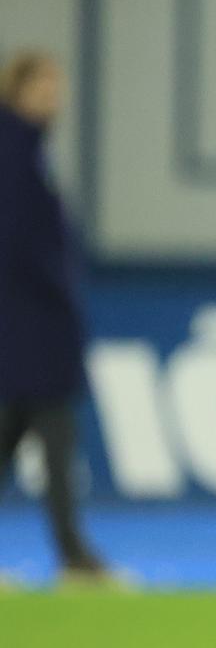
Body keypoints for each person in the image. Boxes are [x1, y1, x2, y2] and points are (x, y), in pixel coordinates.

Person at [0, 51, 111, 583]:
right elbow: (21, 243)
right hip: (28, 331)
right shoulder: (15, 149)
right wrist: (60, 291)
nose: (54, 96)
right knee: (57, 446)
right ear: (18, 91)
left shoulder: (27, 148)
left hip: (29, 333)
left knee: (33, 440)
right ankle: (75, 558)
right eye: (44, 85)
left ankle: (74, 554)